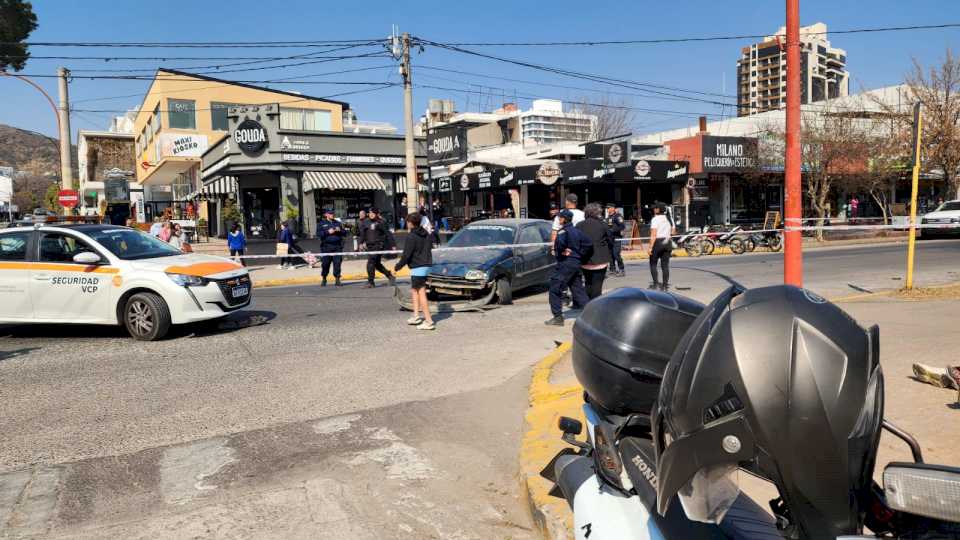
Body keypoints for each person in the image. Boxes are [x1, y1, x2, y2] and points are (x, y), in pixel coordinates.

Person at [545, 209, 591, 327]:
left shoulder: (563, 232)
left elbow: (559, 246)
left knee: (555, 288)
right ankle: (592, 316)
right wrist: (579, 254)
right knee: (578, 290)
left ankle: (557, 317)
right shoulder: (577, 231)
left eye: (560, 217)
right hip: (575, 263)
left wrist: (562, 252)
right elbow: (588, 244)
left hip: (565, 263)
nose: (558, 219)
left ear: (563, 219)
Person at [394, 212, 435, 331]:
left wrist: (397, 267)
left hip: (418, 267)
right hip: (425, 265)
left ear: (411, 223)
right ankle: (416, 316)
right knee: (414, 290)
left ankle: (429, 321)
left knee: (421, 292)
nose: (407, 223)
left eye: (407, 222)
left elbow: (406, 255)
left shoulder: (411, 236)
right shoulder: (426, 234)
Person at [577, 203, 613, 300]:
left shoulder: (579, 225)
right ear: (597, 213)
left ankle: (588, 304)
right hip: (600, 259)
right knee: (597, 285)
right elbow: (610, 240)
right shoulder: (603, 224)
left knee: (588, 283)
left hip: (585, 260)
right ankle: (595, 307)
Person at [358, 207, 396, 288]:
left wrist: (393, 245)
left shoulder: (380, 222)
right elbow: (362, 234)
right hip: (369, 246)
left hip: (378, 245)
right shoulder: (366, 222)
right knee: (377, 264)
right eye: (370, 213)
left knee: (370, 263)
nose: (371, 214)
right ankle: (389, 275)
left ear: (376, 214)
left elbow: (388, 234)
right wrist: (360, 243)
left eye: (373, 213)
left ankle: (370, 282)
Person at [647, 204, 675, 291]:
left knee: (653, 264)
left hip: (658, 242)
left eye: (655, 208)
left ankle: (656, 284)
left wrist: (650, 247)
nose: (654, 209)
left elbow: (653, 234)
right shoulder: (669, 219)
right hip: (667, 242)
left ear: (658, 210)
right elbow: (673, 232)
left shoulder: (655, 219)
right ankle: (665, 286)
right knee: (665, 265)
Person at [318, 208, 345, 286]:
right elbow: (318, 234)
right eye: (330, 213)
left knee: (337, 263)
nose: (332, 215)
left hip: (337, 246)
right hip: (326, 247)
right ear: (326, 214)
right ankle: (324, 278)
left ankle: (337, 279)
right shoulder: (321, 223)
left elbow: (345, 233)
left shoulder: (338, 223)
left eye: (332, 213)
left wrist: (340, 230)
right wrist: (327, 232)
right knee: (325, 264)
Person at [605, 203, 626, 277]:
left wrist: (612, 230)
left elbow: (622, 226)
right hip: (609, 239)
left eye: (609, 208)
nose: (607, 209)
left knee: (616, 254)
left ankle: (621, 269)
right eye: (607, 208)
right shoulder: (608, 217)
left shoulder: (618, 216)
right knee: (610, 255)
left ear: (613, 208)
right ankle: (612, 269)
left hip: (616, 238)